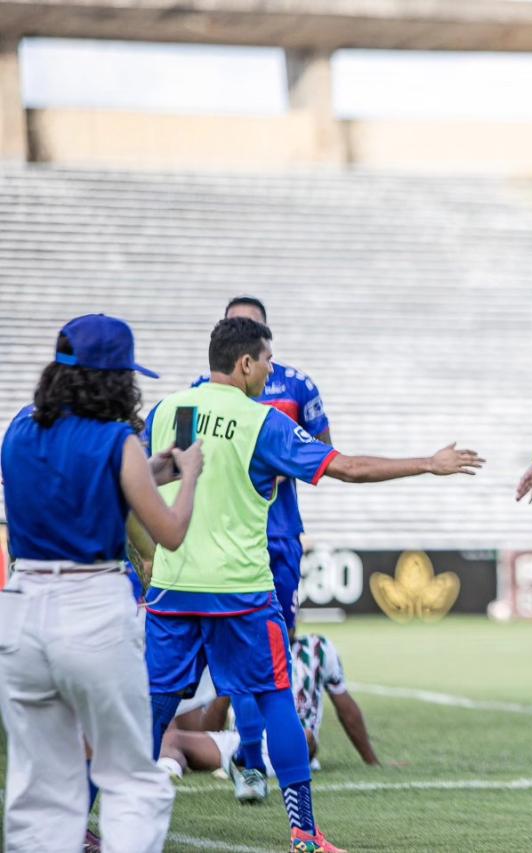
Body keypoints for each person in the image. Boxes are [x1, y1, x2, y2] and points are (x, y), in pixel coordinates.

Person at [142, 316, 483, 853]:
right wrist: (427, 463)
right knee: (277, 697)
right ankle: (303, 832)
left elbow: (145, 480)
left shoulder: (170, 412)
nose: (272, 369)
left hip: (172, 589)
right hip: (241, 592)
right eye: (268, 359)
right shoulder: (262, 422)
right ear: (246, 364)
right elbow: (345, 467)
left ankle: (103, 819)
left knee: (153, 707)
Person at [0, 314, 204, 853]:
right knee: (131, 777)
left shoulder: (18, 430)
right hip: (91, 607)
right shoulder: (117, 440)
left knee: (40, 788)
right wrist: (191, 477)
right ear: (115, 379)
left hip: (21, 610)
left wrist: (158, 466)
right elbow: (171, 532)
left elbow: (82, 474)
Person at [192, 296, 334, 806]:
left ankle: (253, 759)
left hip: (278, 536)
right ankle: (250, 756)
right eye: (237, 323)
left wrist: (279, 460)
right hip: (223, 541)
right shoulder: (198, 396)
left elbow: (322, 449)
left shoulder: (297, 386)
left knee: (274, 655)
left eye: (254, 325)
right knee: (235, 663)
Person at [159, 631, 379, 779]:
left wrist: (371, 761)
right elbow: (211, 729)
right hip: (240, 741)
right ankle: (169, 771)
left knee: (305, 737)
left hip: (295, 739)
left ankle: (253, 767)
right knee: (171, 739)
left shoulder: (317, 647)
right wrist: (229, 688)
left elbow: (347, 709)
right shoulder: (243, 646)